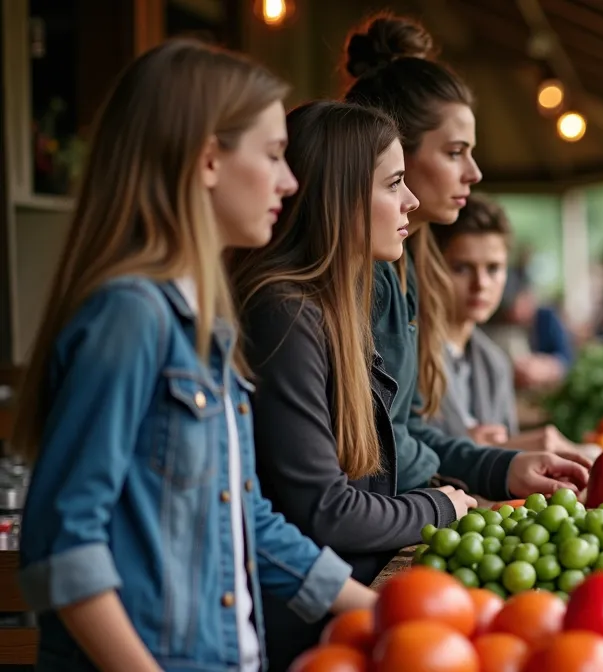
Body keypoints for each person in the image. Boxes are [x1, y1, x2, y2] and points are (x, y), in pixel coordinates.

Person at [11, 40, 375, 672]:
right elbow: (65, 547)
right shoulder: (130, 316)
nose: (289, 182)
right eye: (272, 155)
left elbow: (245, 519)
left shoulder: (206, 328)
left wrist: (377, 608)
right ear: (208, 159)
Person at [228, 100, 478, 669]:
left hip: (351, 605)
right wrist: (441, 505)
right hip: (310, 633)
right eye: (394, 183)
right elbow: (325, 511)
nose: (411, 200)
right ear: (336, 199)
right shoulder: (284, 314)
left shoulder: (339, 306)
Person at [341, 12, 589, 495]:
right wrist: (466, 491)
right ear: (396, 154)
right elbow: (374, 450)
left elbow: (405, 431)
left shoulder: (400, 271)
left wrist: (500, 466)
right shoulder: (363, 278)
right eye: (455, 152)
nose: (474, 173)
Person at [430, 193, 577, 451]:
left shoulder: (495, 363)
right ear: (432, 267)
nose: (481, 284)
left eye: (493, 268)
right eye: (462, 268)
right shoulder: (411, 357)